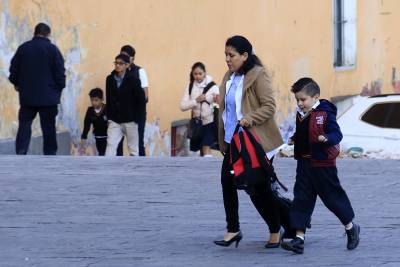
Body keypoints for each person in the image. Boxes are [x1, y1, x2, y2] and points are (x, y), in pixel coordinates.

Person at [214, 36, 284, 248]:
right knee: (227, 182)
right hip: (233, 142)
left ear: (245, 56)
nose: (227, 59)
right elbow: (228, 109)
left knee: (258, 189)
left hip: (255, 143)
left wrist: (250, 119)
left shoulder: (258, 75)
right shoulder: (229, 76)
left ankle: (276, 228)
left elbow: (269, 106)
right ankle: (233, 229)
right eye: (226, 55)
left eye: (231, 55)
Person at [281, 77, 360, 254]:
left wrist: (328, 138)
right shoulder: (301, 114)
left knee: (333, 199)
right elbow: (304, 132)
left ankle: (351, 227)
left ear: (316, 97)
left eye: (303, 100)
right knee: (301, 199)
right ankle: (298, 239)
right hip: (304, 164)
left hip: (323, 165)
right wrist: (295, 138)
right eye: (297, 100)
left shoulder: (325, 113)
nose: (300, 103)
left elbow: (336, 134)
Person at [9, 22, 66, 155]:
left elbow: (13, 70)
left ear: (34, 33)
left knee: (24, 125)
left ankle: (21, 151)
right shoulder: (53, 50)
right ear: (48, 34)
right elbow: (60, 73)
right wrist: (58, 89)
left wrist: (17, 84)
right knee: (48, 127)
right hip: (49, 97)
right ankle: (50, 154)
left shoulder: (23, 48)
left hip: (27, 96)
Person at [105, 54, 145, 156]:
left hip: (131, 120)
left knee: (133, 150)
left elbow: (141, 100)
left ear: (127, 65)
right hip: (115, 120)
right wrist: (109, 117)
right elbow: (109, 98)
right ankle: (107, 170)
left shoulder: (134, 80)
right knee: (110, 147)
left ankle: (133, 171)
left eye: (121, 63)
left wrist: (138, 119)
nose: (118, 65)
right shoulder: (109, 79)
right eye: (116, 63)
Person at [180, 62, 219, 156]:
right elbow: (182, 106)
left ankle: (207, 168)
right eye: (195, 74)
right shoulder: (190, 87)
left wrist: (212, 98)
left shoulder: (213, 86)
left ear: (205, 73)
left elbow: (219, 103)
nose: (197, 76)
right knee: (198, 151)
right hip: (196, 124)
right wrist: (196, 101)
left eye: (200, 74)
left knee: (206, 147)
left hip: (209, 122)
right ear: (192, 74)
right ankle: (202, 168)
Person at [120, 45, 148, 156]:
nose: (122, 59)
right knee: (117, 143)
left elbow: (145, 95)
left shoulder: (140, 71)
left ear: (132, 58)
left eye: (125, 56)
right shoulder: (117, 72)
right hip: (121, 115)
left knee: (138, 143)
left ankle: (142, 169)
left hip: (137, 115)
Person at [80, 88, 123, 156]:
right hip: (99, 138)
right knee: (102, 157)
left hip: (110, 138)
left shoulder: (108, 109)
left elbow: (116, 124)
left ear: (102, 99)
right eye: (92, 100)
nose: (93, 102)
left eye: (96, 100)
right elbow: (86, 127)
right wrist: (82, 144)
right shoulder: (90, 111)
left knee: (116, 156)